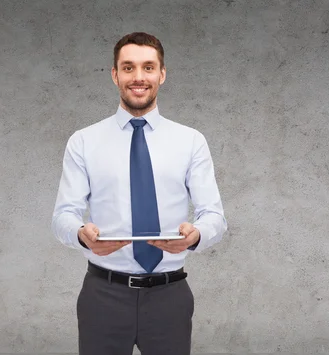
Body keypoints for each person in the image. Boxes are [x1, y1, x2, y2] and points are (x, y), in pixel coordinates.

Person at [51, 32, 227, 355]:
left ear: (162, 73)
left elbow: (215, 216)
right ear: (115, 74)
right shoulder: (83, 142)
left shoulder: (190, 142)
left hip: (169, 297)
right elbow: (63, 215)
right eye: (128, 68)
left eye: (148, 67)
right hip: (103, 296)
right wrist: (80, 233)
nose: (139, 77)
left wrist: (195, 235)